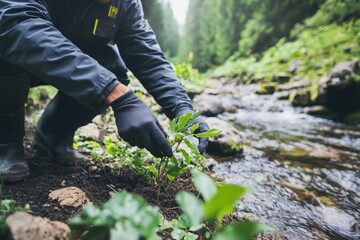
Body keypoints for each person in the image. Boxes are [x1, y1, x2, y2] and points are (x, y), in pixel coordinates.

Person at [0, 0, 209, 182]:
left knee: (112, 69)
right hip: (13, 54)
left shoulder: (125, 4)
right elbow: (16, 24)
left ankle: (53, 135)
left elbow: (148, 57)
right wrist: (114, 93)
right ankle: (6, 142)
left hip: (64, 62)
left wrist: (181, 107)